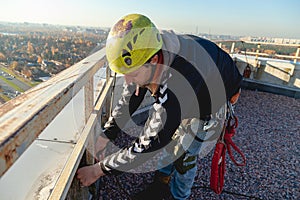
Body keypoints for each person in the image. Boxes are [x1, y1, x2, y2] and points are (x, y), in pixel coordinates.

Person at [77, 13, 242, 200]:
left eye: (132, 73)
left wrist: (98, 171)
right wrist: (107, 135)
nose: (128, 80)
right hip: (200, 79)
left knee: (184, 156)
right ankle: (160, 184)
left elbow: (149, 143)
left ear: (154, 60)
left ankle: (179, 196)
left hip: (210, 100)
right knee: (170, 140)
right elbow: (131, 96)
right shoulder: (149, 50)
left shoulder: (177, 85)